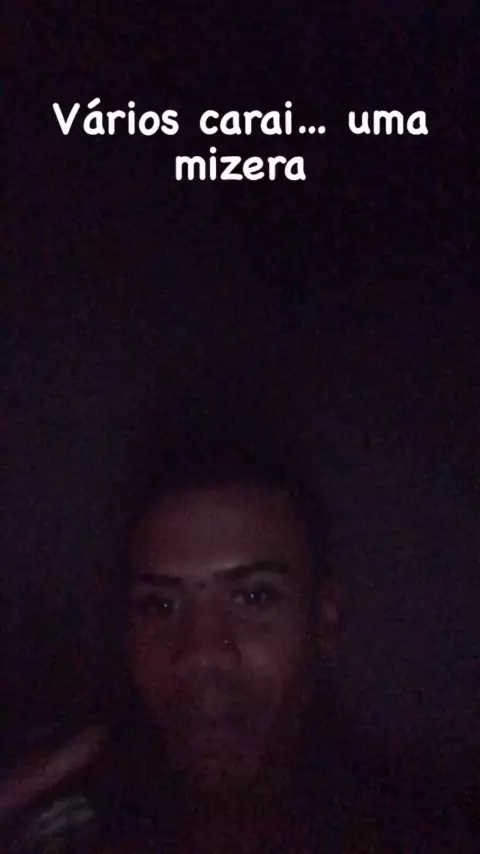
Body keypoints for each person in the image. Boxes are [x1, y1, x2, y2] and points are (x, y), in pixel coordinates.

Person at [0, 438, 463, 852]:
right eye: (160, 605)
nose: (202, 653)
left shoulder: (428, 832)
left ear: (324, 619)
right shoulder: (56, 829)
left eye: (254, 598)